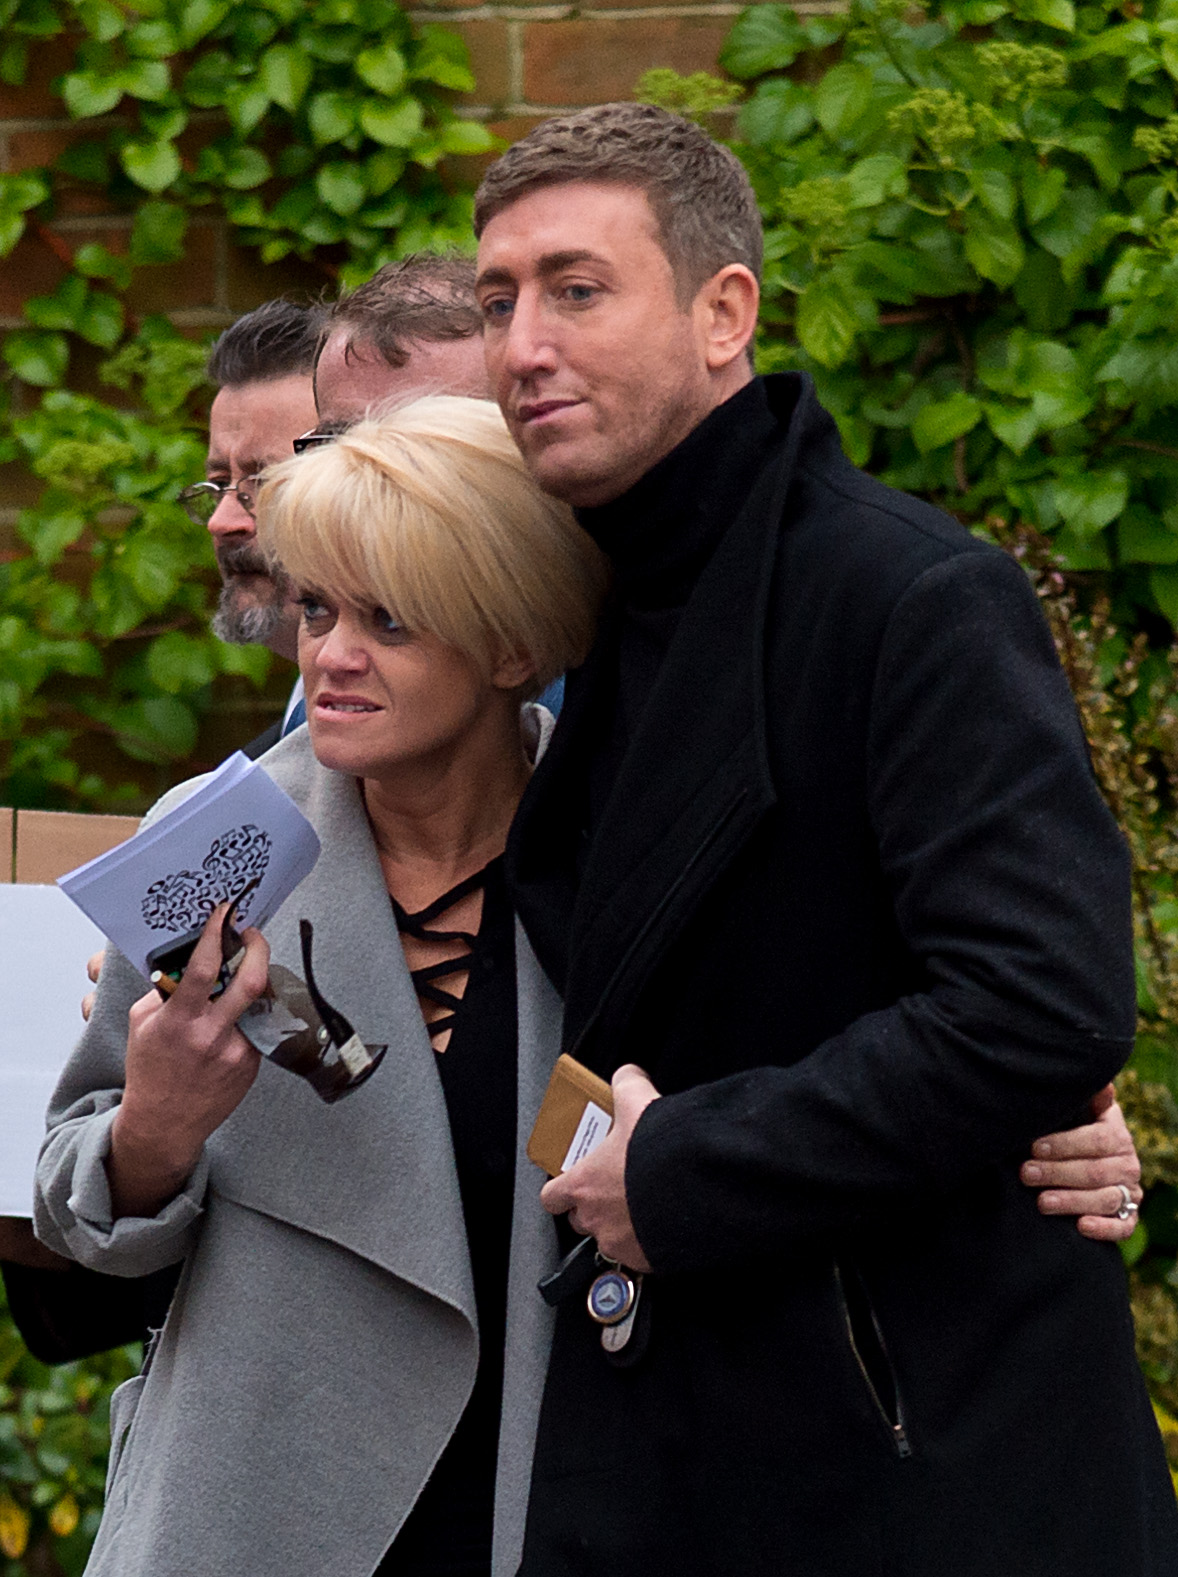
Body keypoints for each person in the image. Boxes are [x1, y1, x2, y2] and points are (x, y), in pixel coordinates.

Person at [470, 104, 1178, 1573]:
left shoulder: (905, 597)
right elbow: (602, 1012)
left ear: (724, 312)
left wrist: (681, 1169)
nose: (522, 344)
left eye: (575, 288)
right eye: (499, 301)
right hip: (676, 1438)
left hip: (911, 1459)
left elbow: (1040, 1002)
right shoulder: (585, 608)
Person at [32, 397, 608, 1577]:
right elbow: (75, 1224)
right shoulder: (208, 840)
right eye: (316, 607)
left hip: (544, 1503)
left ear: (510, 644)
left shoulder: (624, 850)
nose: (330, 654)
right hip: (256, 1511)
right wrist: (154, 1128)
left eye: (387, 619)